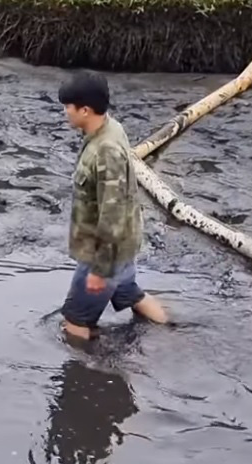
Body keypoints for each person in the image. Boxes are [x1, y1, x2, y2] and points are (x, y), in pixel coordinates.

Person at [57, 71, 168, 340]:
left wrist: (99, 270)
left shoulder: (106, 150)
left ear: (85, 110)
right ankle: (172, 333)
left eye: (67, 107)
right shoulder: (110, 127)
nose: (64, 112)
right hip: (124, 246)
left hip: (105, 253)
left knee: (75, 323)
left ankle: (91, 374)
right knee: (130, 292)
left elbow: (113, 212)